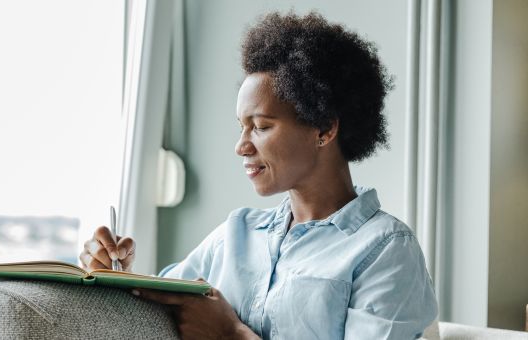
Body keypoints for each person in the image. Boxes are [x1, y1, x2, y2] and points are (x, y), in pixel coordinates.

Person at [80, 11, 438, 340]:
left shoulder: (385, 251)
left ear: (324, 129)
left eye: (261, 127)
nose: (241, 146)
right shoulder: (236, 234)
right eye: (242, 127)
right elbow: (153, 305)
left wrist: (231, 333)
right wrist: (114, 270)